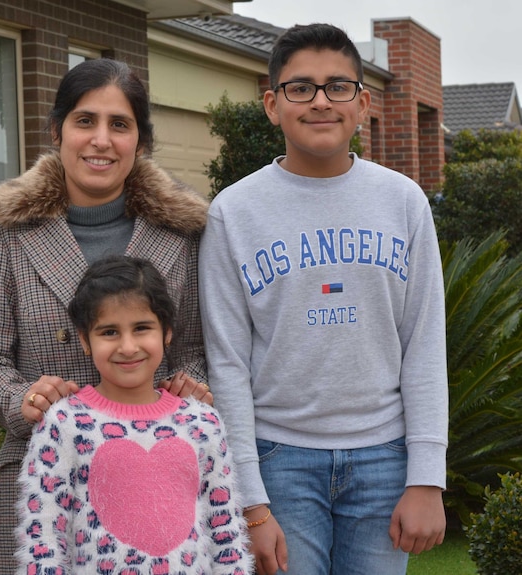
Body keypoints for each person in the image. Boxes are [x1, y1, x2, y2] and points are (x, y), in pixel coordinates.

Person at [198, 23, 448, 575]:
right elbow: (228, 363)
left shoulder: (403, 202)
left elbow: (425, 342)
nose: (320, 101)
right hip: (278, 458)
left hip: (385, 458)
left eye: (338, 87)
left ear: (362, 103)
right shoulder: (234, 213)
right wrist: (251, 501)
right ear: (271, 104)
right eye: (300, 87)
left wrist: (427, 478)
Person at [0, 58, 211, 574]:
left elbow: (196, 348)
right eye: (85, 121)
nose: (101, 140)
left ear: (140, 141)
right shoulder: (10, 230)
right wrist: (20, 397)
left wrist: (193, 385)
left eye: (120, 125)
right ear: (57, 130)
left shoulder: (182, 234)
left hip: (157, 473)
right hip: (44, 481)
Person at [15, 255, 253, 575]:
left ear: (167, 332)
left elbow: (226, 534)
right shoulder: (63, 426)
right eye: (109, 332)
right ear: (85, 340)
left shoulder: (202, 424)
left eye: (141, 328)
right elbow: (42, 541)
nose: (128, 347)